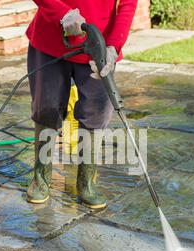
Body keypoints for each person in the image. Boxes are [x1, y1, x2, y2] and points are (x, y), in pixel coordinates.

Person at [25, 0, 138, 209]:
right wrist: (62, 12)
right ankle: (40, 179)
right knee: (46, 109)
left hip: (98, 44)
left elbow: (128, 4)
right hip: (50, 39)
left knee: (97, 113)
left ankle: (86, 183)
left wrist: (112, 46)